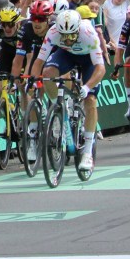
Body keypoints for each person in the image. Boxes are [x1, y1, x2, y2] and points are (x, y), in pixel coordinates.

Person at [31, 9, 106, 173]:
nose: (67, 39)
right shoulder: (53, 32)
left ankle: (87, 152)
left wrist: (87, 88)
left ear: (78, 29)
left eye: (71, 35)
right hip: (67, 55)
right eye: (64, 35)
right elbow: (39, 62)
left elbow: (100, 69)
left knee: (91, 101)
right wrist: (34, 82)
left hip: (89, 60)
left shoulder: (88, 33)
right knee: (47, 73)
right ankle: (58, 109)